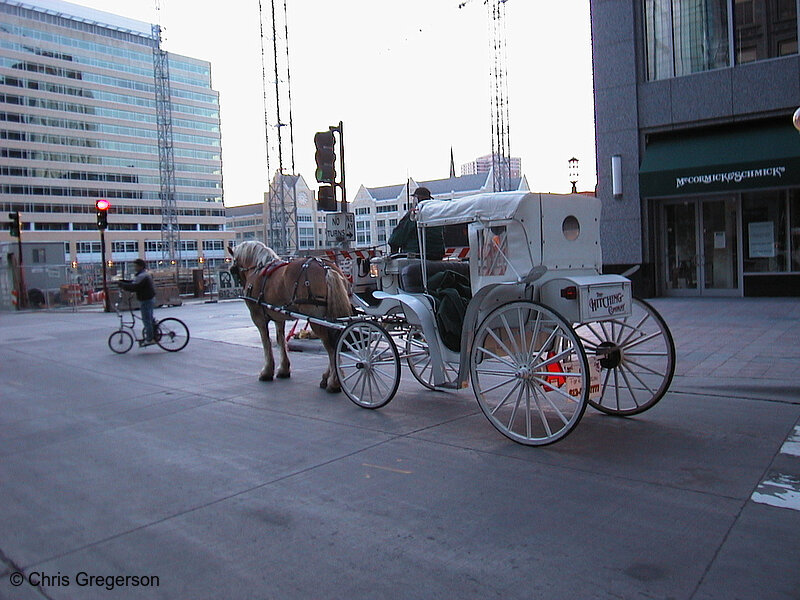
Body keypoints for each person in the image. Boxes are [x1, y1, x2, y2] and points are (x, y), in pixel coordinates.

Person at [388, 187, 445, 260]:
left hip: (416, 257)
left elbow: (395, 238)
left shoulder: (414, 214)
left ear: (417, 199)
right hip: (436, 257)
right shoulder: (436, 214)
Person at [119, 258, 157, 345]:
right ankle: (154, 333)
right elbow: (133, 283)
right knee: (149, 319)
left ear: (140, 266)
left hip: (146, 299)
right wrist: (123, 282)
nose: (134, 267)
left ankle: (150, 339)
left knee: (146, 320)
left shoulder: (142, 276)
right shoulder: (142, 275)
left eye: (136, 266)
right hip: (148, 298)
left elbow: (135, 287)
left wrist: (122, 285)